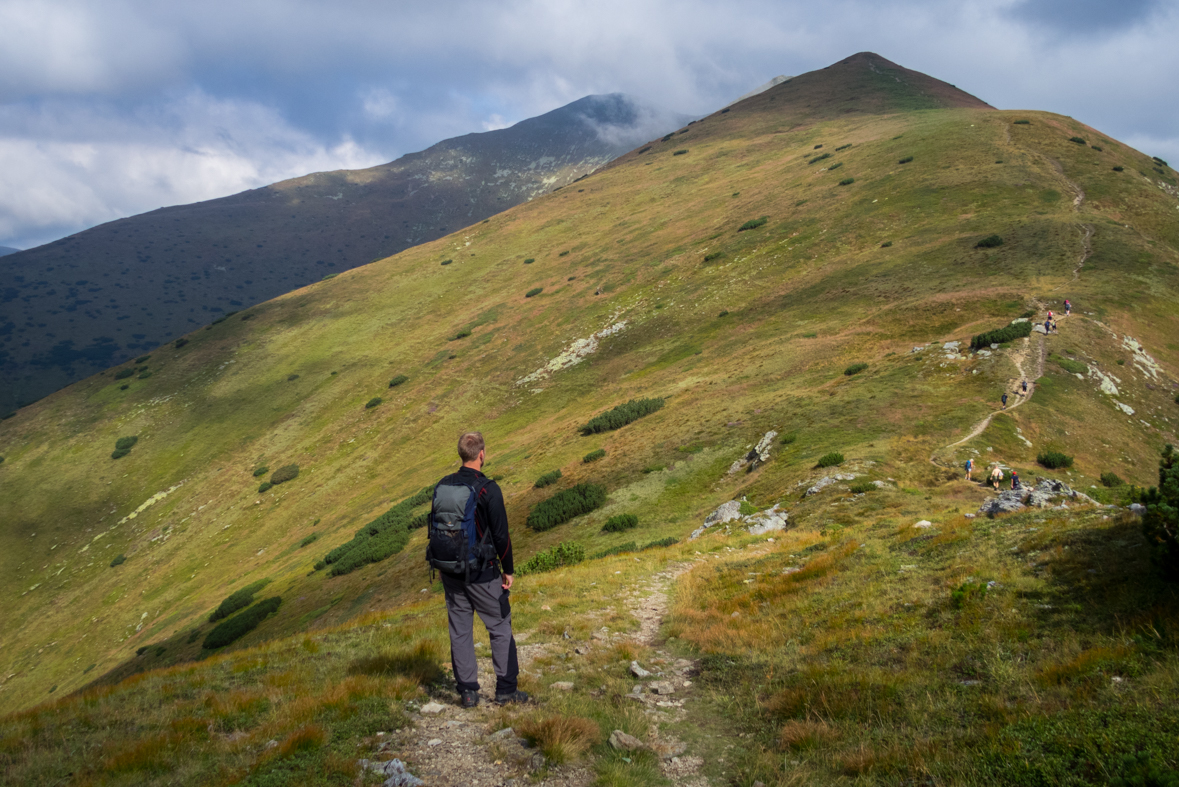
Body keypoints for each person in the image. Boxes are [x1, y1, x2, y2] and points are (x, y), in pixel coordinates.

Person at [427, 431, 527, 708]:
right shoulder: (488, 489)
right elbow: (501, 536)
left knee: (460, 629)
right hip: (482, 573)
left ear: (461, 454)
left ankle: (468, 692)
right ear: (482, 454)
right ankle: (506, 689)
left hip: (451, 572)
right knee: (499, 625)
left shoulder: (443, 486)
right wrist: (508, 570)